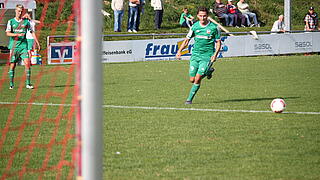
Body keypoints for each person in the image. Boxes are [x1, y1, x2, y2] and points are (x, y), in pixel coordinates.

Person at [176, 7, 221, 105]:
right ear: (197, 16)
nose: (203, 18)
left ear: (207, 16)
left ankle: (189, 99)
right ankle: (208, 71)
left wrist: (215, 55)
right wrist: (179, 51)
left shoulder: (214, 27)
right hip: (195, 55)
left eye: (204, 16)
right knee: (192, 79)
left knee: (198, 78)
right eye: (200, 16)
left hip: (207, 56)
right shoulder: (195, 27)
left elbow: (218, 43)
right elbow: (187, 40)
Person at [6, 4, 40, 89]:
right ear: (15, 10)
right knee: (13, 65)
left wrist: (37, 42)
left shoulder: (26, 22)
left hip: (24, 46)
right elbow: (7, 33)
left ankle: (28, 84)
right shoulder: (11, 21)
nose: (20, 13)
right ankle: (11, 84)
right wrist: (17, 34)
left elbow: (32, 32)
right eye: (18, 11)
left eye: (21, 11)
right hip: (14, 47)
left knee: (27, 63)